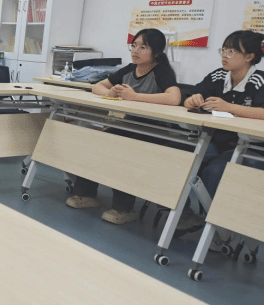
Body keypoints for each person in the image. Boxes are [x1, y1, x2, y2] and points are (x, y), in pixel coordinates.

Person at [65, 28, 182, 224]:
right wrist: (109, 93)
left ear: (156, 52)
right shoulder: (129, 69)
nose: (136, 50)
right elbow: (98, 86)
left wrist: (134, 97)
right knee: (97, 141)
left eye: (143, 47)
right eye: (134, 45)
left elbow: (174, 97)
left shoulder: (162, 71)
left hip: (155, 131)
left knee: (125, 150)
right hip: (129, 125)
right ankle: (86, 194)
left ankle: (124, 208)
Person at [183, 30, 264, 247]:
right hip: (215, 142)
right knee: (181, 155)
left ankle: (220, 230)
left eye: (232, 51)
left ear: (249, 57)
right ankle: (185, 214)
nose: (225, 55)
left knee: (214, 171)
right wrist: (192, 100)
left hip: (250, 148)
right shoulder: (219, 76)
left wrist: (230, 107)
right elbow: (189, 98)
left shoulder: (259, 80)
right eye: (224, 50)